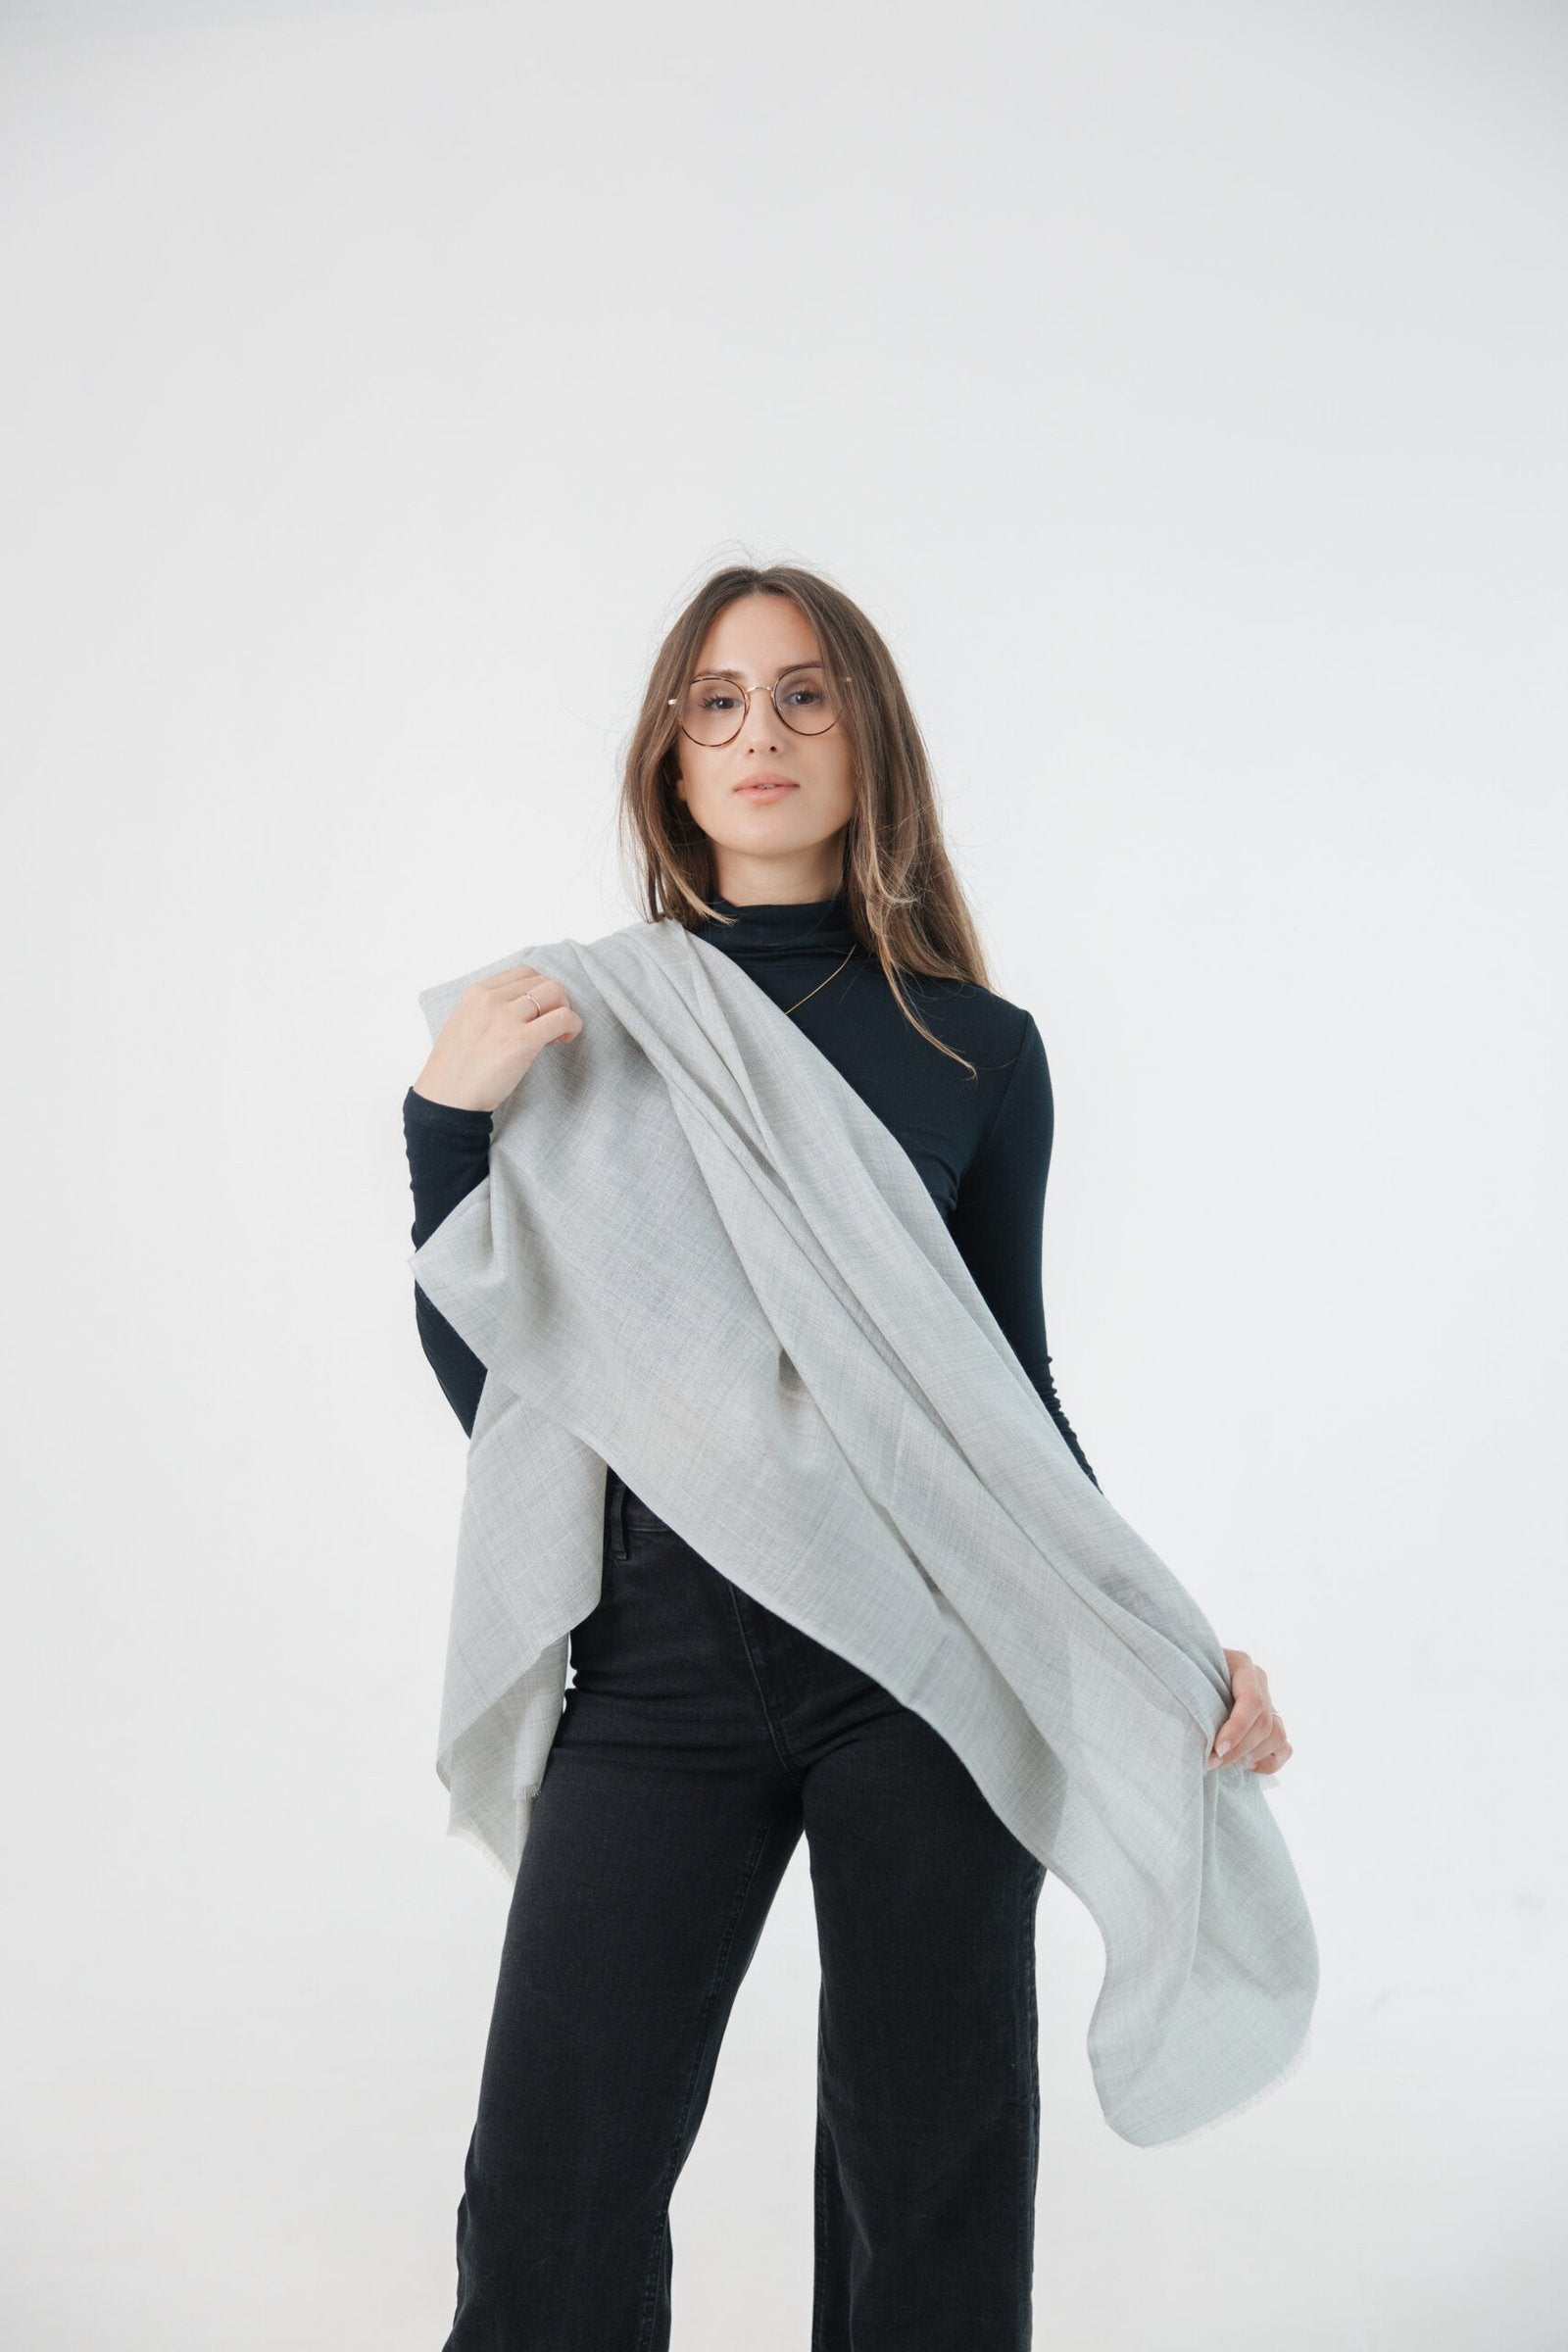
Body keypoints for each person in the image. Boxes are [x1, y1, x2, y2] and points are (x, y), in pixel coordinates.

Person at [403, 563, 1292, 2350]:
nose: (763, 733)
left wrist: (1164, 1641)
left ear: (866, 736)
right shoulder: (578, 1023)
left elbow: (1008, 1396)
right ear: (670, 754)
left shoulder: (979, 1048)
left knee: (929, 2185)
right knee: (550, 2186)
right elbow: (510, 1390)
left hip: (930, 1655)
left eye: (806, 695)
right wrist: (442, 1124)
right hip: (655, 1655)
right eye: (719, 701)